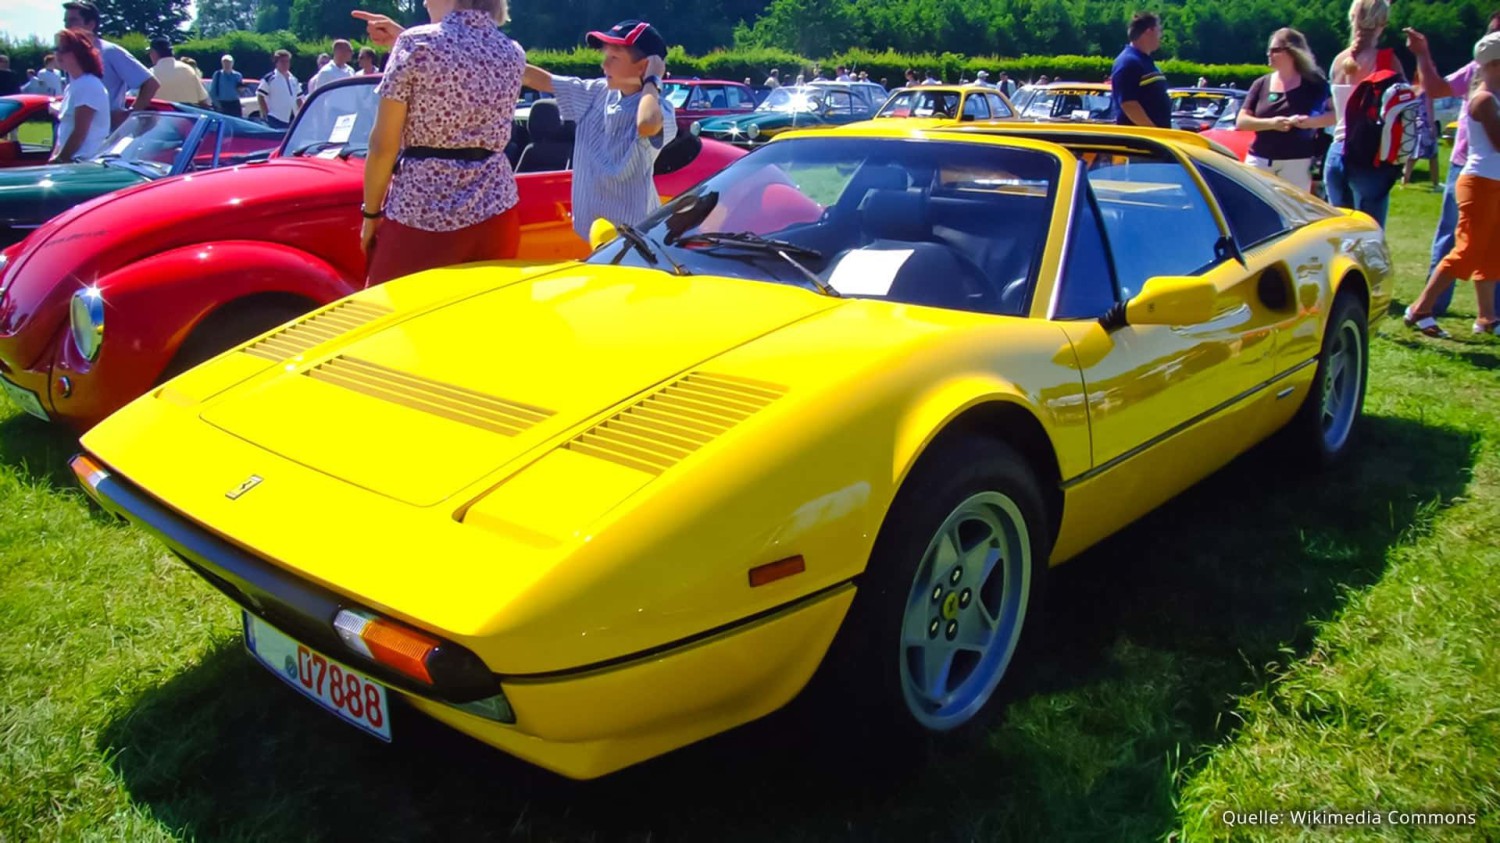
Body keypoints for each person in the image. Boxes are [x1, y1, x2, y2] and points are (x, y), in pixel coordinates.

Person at [358, 0, 525, 285]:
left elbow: (383, 146)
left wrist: (370, 214)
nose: (424, 1)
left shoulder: (416, 44)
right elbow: (465, 55)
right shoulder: (513, 52)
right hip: (497, 211)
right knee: (481, 309)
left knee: (391, 308)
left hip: (422, 211)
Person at [521, 20, 675, 242]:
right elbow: (541, 80)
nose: (604, 64)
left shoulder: (658, 109)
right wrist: (500, 56)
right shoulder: (596, 92)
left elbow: (647, 124)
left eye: (614, 58)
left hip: (634, 240)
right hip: (591, 236)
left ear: (643, 66)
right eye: (605, 56)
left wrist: (652, 79)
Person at [1403, 31, 1500, 338]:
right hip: (1481, 182)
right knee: (1467, 251)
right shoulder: (1484, 100)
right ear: (1494, 64)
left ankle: (1486, 317)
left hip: (1492, 181)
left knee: (1493, 251)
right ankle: (1420, 308)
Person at [1322, 0, 1407, 227]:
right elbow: (1405, 107)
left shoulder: (1338, 61)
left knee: (1341, 232)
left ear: (1352, 19)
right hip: (1370, 156)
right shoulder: (1388, 62)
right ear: (1383, 24)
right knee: (1370, 233)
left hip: (1336, 153)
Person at [1236, 27, 1331, 192]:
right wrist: (1272, 123)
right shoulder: (1261, 84)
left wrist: (1310, 122)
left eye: (1275, 50)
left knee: (1293, 207)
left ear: (1292, 52)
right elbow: (1242, 121)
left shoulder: (1314, 84)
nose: (1269, 54)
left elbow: (1335, 115)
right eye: (1269, 50)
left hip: (1297, 162)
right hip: (1259, 159)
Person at [62, 0, 159, 128]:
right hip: (77, 130)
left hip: (106, 133)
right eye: (65, 22)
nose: (67, 27)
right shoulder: (71, 56)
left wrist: (129, 115)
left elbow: (151, 83)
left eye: (73, 20)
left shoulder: (110, 52)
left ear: (91, 24)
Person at [50, 29, 108, 162]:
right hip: (71, 163)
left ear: (79, 52)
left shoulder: (88, 84)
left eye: (64, 49)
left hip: (83, 162)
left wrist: (60, 159)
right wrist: (54, 157)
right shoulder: (72, 86)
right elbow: (64, 130)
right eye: (56, 49)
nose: (58, 54)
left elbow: (80, 132)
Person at [1112, 12, 1171, 128]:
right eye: (1159, 30)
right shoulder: (1128, 62)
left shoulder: (1145, 61)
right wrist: (1153, 131)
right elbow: (1128, 103)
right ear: (1149, 31)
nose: (1161, 36)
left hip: (1154, 135)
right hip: (1139, 137)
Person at [148, 35, 210, 106]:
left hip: (161, 112)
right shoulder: (188, 69)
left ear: (154, 53)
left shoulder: (150, 75)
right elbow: (204, 101)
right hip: (187, 113)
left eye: (150, 53)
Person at [1401, 92, 1441, 188]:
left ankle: (1405, 180)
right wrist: (1432, 126)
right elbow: (1429, 109)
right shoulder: (1428, 92)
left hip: (1416, 125)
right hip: (1426, 125)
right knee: (1433, 155)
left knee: (1413, 155)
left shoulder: (1414, 90)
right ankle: (1436, 183)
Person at [256, 50, 302, 129]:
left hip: (292, 118)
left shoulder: (294, 79)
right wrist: (265, 113)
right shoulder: (270, 78)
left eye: (287, 61)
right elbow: (260, 95)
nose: (285, 64)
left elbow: (299, 99)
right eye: (282, 61)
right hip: (275, 118)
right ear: (276, 63)